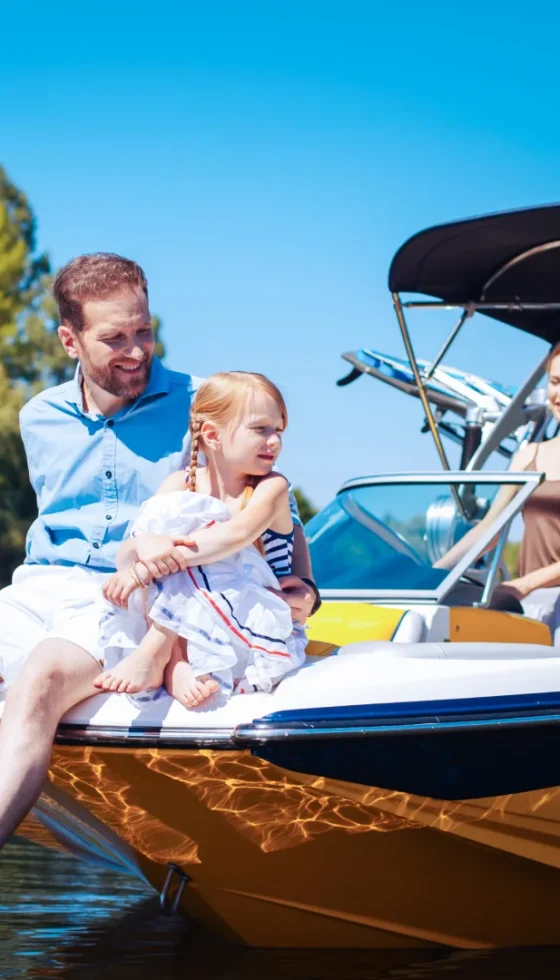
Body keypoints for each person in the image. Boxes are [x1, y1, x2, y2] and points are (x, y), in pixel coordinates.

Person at [0, 253, 318, 848]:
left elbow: (274, 513)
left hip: (125, 597)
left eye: (143, 330)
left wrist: (306, 590)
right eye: (114, 337)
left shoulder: (208, 405)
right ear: (70, 339)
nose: (136, 350)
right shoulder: (38, 416)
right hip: (34, 585)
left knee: (39, 683)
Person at [94, 371, 307, 706]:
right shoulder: (182, 484)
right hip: (191, 628)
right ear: (212, 434)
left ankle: (158, 650)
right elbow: (132, 547)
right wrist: (143, 551)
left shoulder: (272, 487)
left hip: (251, 623)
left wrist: (146, 569)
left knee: (205, 541)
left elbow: (233, 537)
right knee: (164, 518)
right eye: (260, 429)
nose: (274, 440)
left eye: (278, 430)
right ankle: (174, 659)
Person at [436, 342, 560, 641]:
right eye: (555, 382)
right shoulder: (529, 455)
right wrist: (434, 575)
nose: (558, 394)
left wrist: (525, 585)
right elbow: (491, 528)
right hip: (532, 601)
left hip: (530, 592)